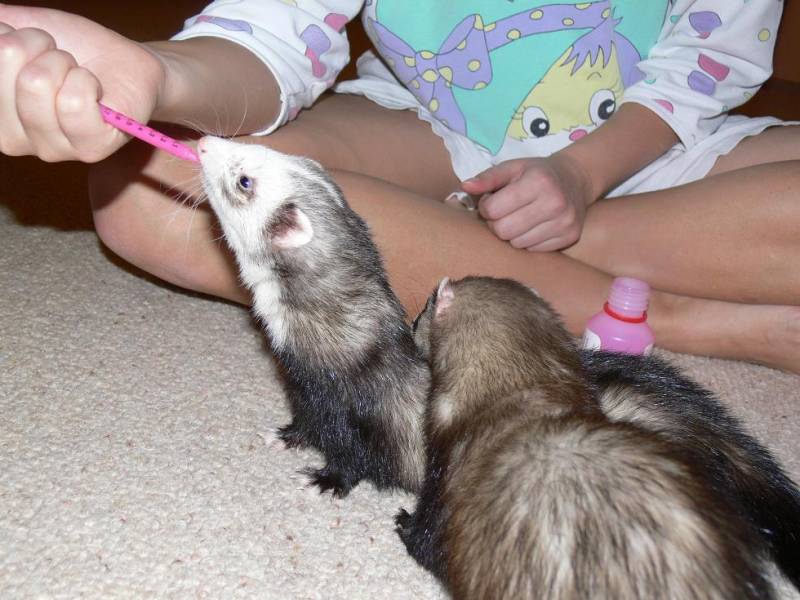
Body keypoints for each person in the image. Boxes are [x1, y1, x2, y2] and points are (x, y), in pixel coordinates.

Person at [0, 1, 798, 372]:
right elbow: (270, 37)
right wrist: (156, 74)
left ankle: (448, 238)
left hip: (652, 149)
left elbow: (707, 62)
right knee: (151, 189)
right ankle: (669, 316)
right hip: (424, 128)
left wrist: (580, 175)